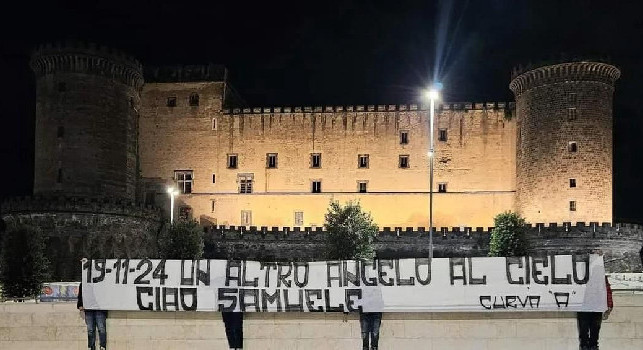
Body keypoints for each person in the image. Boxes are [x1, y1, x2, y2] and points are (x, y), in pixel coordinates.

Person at [577, 275, 613, 350]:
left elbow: (607, 290)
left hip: (596, 306)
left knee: (594, 331)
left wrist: (609, 305)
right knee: (584, 331)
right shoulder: (581, 274)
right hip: (585, 306)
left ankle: (591, 346)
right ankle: (586, 346)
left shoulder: (601, 275)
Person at [78, 273, 108, 350]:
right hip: (89, 309)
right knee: (90, 329)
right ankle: (91, 346)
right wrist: (80, 304)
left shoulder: (102, 283)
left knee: (101, 329)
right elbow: (80, 294)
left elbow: (106, 294)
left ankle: (103, 346)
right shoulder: (84, 283)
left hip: (100, 308)